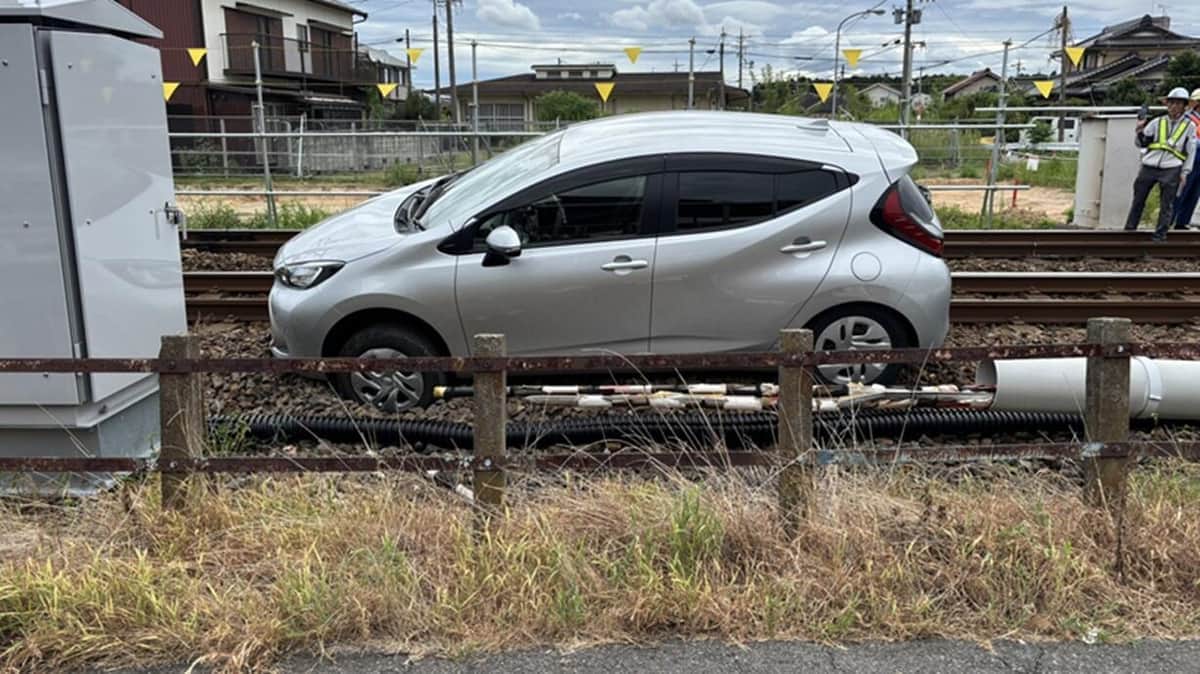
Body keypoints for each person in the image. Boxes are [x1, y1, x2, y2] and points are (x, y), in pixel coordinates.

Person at [1124, 87, 1197, 241]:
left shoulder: (1190, 126)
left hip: (1172, 167)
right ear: (1167, 105)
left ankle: (1160, 235)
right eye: (1171, 103)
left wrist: (1185, 172)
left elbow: (1191, 151)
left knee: (1167, 204)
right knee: (1138, 199)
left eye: (1178, 103)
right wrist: (1139, 129)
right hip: (1149, 165)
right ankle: (1129, 231)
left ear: (1185, 106)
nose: (1174, 107)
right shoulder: (1157, 122)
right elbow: (1142, 143)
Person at [1171, 88, 1200, 230]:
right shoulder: (1187, 120)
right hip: (1189, 159)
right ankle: (1168, 221)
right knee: (1181, 191)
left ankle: (1182, 222)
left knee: (1194, 192)